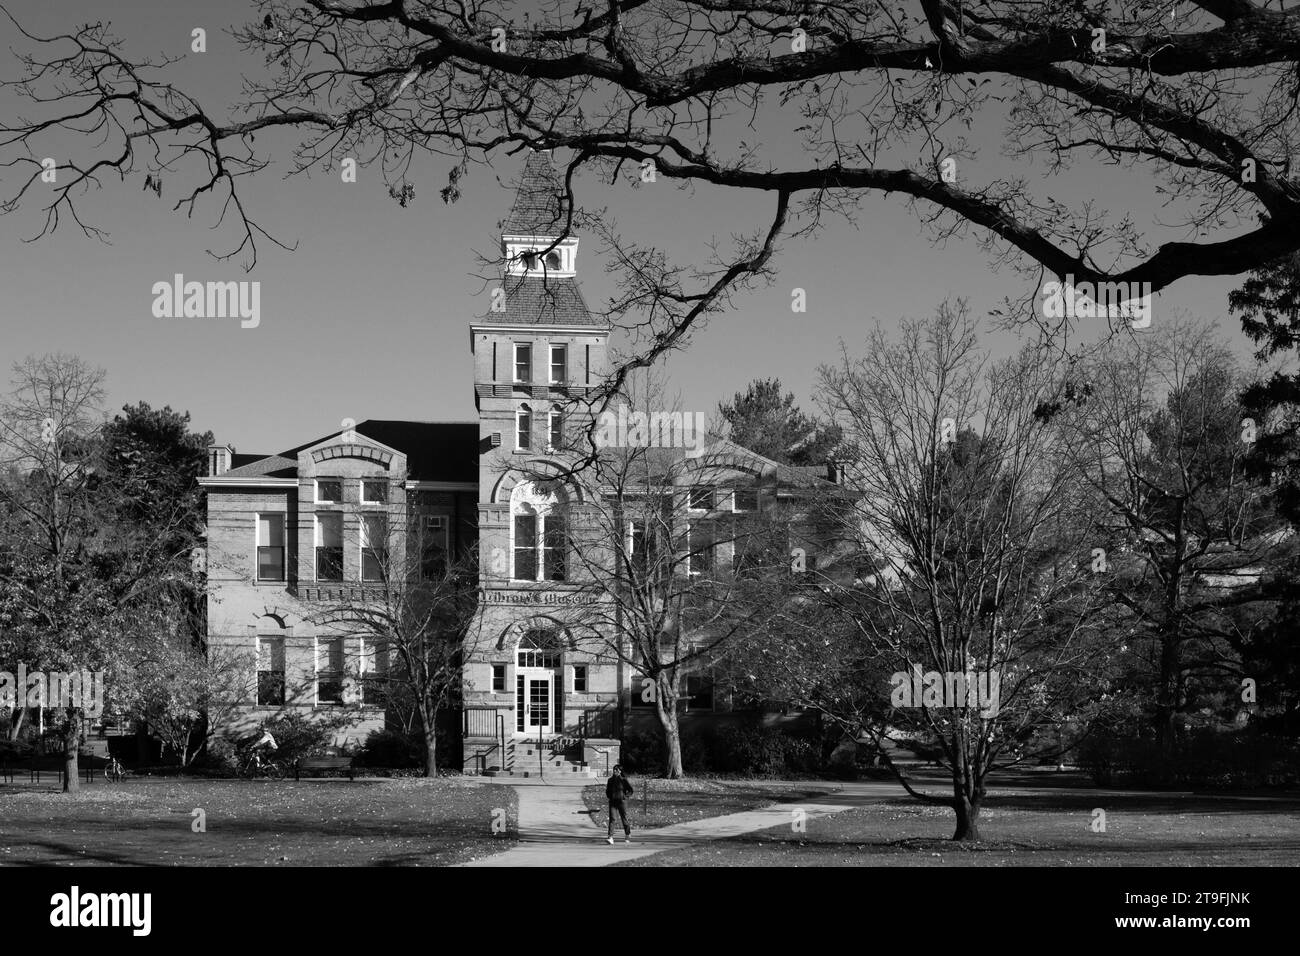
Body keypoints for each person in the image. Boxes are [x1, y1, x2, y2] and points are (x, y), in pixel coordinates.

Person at [605, 764, 634, 844]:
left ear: (620, 771)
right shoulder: (610, 780)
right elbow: (607, 791)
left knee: (624, 818)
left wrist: (625, 797)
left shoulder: (623, 780)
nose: (615, 771)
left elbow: (630, 790)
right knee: (612, 819)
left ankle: (627, 834)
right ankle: (610, 837)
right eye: (614, 769)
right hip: (613, 802)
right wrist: (610, 797)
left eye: (616, 769)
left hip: (622, 802)